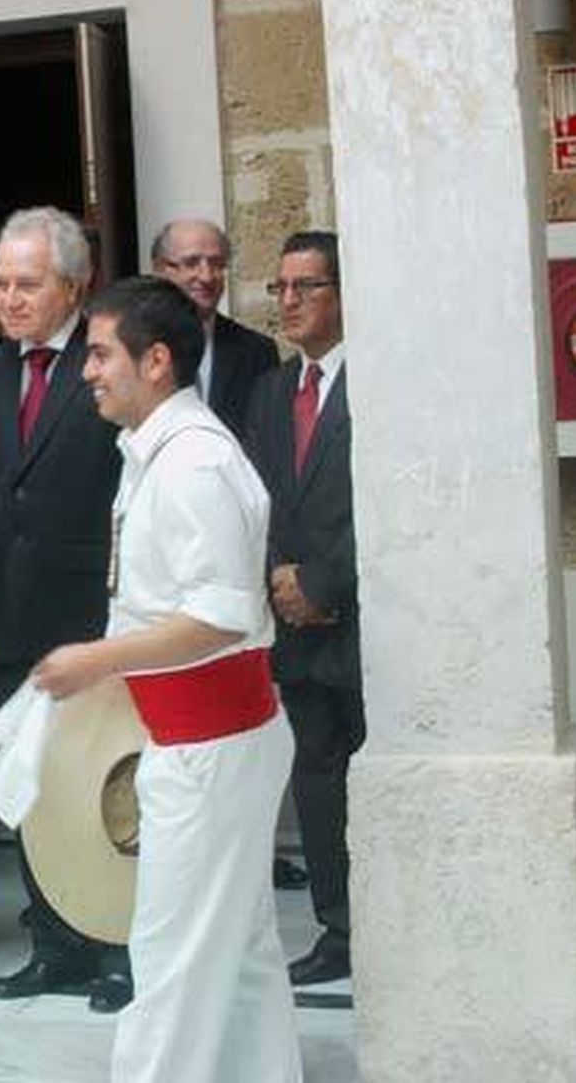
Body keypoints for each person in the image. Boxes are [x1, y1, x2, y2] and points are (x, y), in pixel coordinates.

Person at [34, 275, 301, 1083]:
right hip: (198, 739)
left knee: (171, 958)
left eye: (102, 353)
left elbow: (221, 615)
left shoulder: (194, 465)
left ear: (156, 361)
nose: (87, 370)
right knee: (239, 950)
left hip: (211, 745)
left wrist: (96, 660)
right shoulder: (158, 452)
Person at [0, 206, 125, 1006]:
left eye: (28, 284)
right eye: (1, 283)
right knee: (28, 782)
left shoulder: (108, 364)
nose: (10, 299)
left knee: (108, 786)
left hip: (99, 621)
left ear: (74, 286)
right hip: (11, 620)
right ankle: (53, 942)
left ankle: (118, 943)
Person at [245, 231, 362, 986]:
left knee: (368, 776)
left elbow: (390, 500)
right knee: (316, 782)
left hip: (362, 619)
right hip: (294, 625)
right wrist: (279, 581)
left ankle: (395, 916)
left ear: (344, 293)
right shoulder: (268, 392)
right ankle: (338, 928)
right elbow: (254, 499)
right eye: (280, 288)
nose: (288, 301)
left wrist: (325, 582)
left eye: (305, 287)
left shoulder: (378, 381)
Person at [151, 219, 278, 438]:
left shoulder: (257, 352)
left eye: (217, 264)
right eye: (191, 263)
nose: (206, 276)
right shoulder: (132, 347)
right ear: (160, 270)